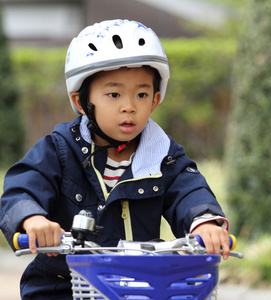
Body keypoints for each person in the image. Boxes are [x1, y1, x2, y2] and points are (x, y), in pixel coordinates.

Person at [0, 19, 230, 299]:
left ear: (155, 100)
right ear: (81, 102)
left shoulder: (164, 156)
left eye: (142, 94)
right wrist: (32, 218)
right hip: (63, 285)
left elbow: (190, 191)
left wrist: (204, 222)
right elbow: (21, 189)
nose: (129, 106)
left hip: (140, 285)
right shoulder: (58, 150)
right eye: (113, 94)